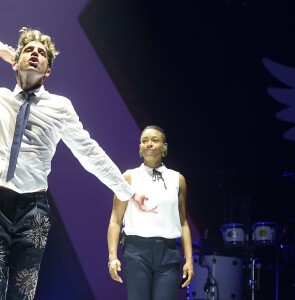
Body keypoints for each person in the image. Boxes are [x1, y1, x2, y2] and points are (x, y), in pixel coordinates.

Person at [0, 27, 156, 300]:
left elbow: (89, 152)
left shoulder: (60, 107)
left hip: (33, 210)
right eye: (28, 50)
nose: (35, 54)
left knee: (22, 294)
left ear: (48, 70)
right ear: (15, 60)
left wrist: (126, 192)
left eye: (42, 53)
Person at [107, 125, 194, 300]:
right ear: (140, 148)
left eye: (155, 140)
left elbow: (183, 222)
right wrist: (112, 257)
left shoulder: (177, 179)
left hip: (168, 253)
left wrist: (189, 259)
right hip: (137, 252)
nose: (149, 144)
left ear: (165, 146)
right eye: (144, 141)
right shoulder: (129, 177)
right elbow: (115, 220)